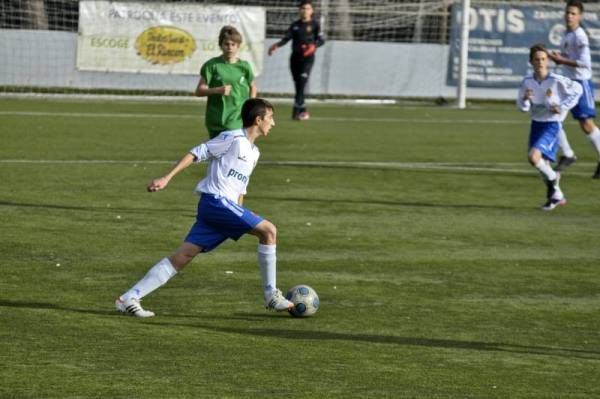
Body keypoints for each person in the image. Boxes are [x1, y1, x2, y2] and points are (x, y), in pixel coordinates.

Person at [115, 98, 294, 317]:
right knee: (269, 231)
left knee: (184, 255)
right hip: (215, 202)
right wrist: (166, 178)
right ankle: (271, 295)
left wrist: (241, 214)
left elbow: (240, 188)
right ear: (258, 120)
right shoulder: (232, 138)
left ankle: (129, 297)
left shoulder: (254, 153)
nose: (273, 123)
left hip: (224, 208)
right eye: (271, 118)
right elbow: (197, 152)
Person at [518, 44, 582, 211]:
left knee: (534, 157)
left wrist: (562, 106)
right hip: (536, 125)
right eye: (537, 59)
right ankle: (557, 195)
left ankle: (554, 179)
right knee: (541, 166)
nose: (540, 62)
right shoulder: (527, 82)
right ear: (531, 61)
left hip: (552, 125)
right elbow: (522, 107)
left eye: (543, 59)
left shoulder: (555, 79)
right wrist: (525, 98)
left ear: (548, 61)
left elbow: (578, 89)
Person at [547, 0, 600, 178]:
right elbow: (570, 57)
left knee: (586, 124)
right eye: (568, 12)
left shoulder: (580, 36)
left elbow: (585, 63)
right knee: (552, 116)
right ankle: (568, 154)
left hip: (580, 83)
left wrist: (561, 60)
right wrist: (558, 57)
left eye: (573, 13)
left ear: (580, 16)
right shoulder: (567, 35)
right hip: (568, 83)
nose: (569, 16)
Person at [195, 25, 257, 139]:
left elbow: (253, 87)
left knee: (233, 151)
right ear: (221, 45)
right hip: (216, 119)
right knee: (218, 155)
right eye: (226, 44)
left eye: (233, 44)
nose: (230, 47)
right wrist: (218, 90)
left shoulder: (244, 66)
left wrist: (251, 107)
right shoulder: (212, 66)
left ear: (238, 46)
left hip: (237, 118)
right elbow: (199, 91)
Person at [268, 0, 325, 120]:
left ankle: (296, 111)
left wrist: (314, 46)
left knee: (302, 82)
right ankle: (303, 110)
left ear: (312, 11)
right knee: (298, 85)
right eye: (303, 8)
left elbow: (321, 40)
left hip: (308, 58)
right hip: (294, 59)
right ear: (299, 10)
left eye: (308, 8)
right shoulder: (295, 25)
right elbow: (286, 38)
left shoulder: (315, 25)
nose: (305, 10)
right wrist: (276, 46)